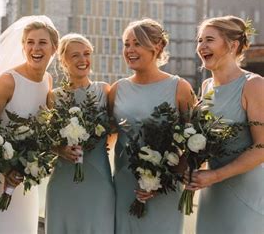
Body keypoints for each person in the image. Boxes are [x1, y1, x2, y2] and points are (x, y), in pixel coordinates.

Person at [108, 18, 195, 234]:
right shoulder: (117, 89)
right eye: (126, 44)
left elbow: (194, 141)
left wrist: (164, 178)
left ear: (158, 47)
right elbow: (105, 137)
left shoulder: (180, 88)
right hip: (125, 185)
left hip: (166, 189)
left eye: (137, 43)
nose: (130, 50)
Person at [0, 16, 59, 234]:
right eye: (30, 42)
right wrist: (6, 168)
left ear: (54, 47)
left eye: (42, 42)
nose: (35, 48)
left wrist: (34, 162)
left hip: (25, 179)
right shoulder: (8, 80)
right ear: (23, 47)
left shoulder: (48, 81)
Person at [187, 16, 264, 234]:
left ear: (232, 45)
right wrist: (193, 168)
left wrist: (215, 176)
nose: (201, 46)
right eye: (199, 40)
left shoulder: (254, 85)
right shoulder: (206, 86)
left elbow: (262, 147)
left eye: (209, 40)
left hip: (246, 196)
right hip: (212, 196)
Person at [45, 33, 115, 234]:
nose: (83, 60)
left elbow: (115, 130)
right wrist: (60, 149)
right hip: (63, 180)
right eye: (75, 55)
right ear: (63, 60)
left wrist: (93, 143)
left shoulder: (104, 91)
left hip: (98, 179)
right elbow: (45, 139)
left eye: (86, 54)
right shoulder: (54, 97)